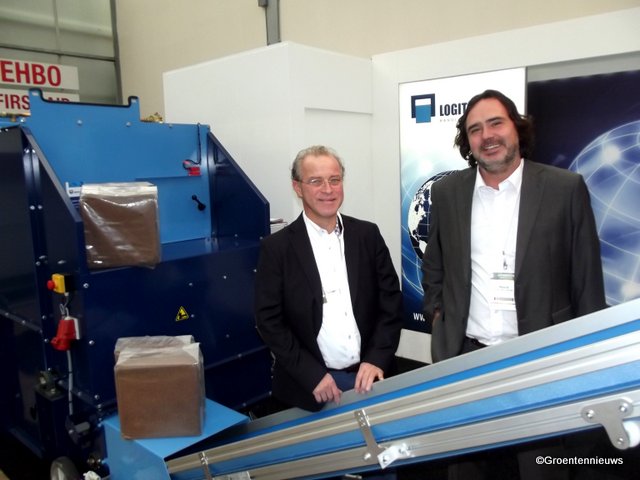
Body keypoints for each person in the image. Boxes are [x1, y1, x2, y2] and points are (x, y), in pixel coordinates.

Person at [421, 89, 607, 479]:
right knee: (466, 468)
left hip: (538, 360)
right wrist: (438, 315)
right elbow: (434, 263)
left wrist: (588, 359)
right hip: (466, 359)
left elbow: (586, 280)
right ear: (467, 141)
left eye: (496, 123)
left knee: (541, 469)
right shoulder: (447, 192)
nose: (487, 135)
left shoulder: (564, 188)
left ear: (517, 128)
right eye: (475, 129)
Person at [255, 145, 403, 412]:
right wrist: (312, 375)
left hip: (371, 378)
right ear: (298, 187)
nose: (328, 189)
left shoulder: (367, 236)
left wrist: (377, 358)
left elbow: (391, 302)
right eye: (316, 181)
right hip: (311, 388)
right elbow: (269, 322)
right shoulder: (277, 249)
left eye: (335, 180)